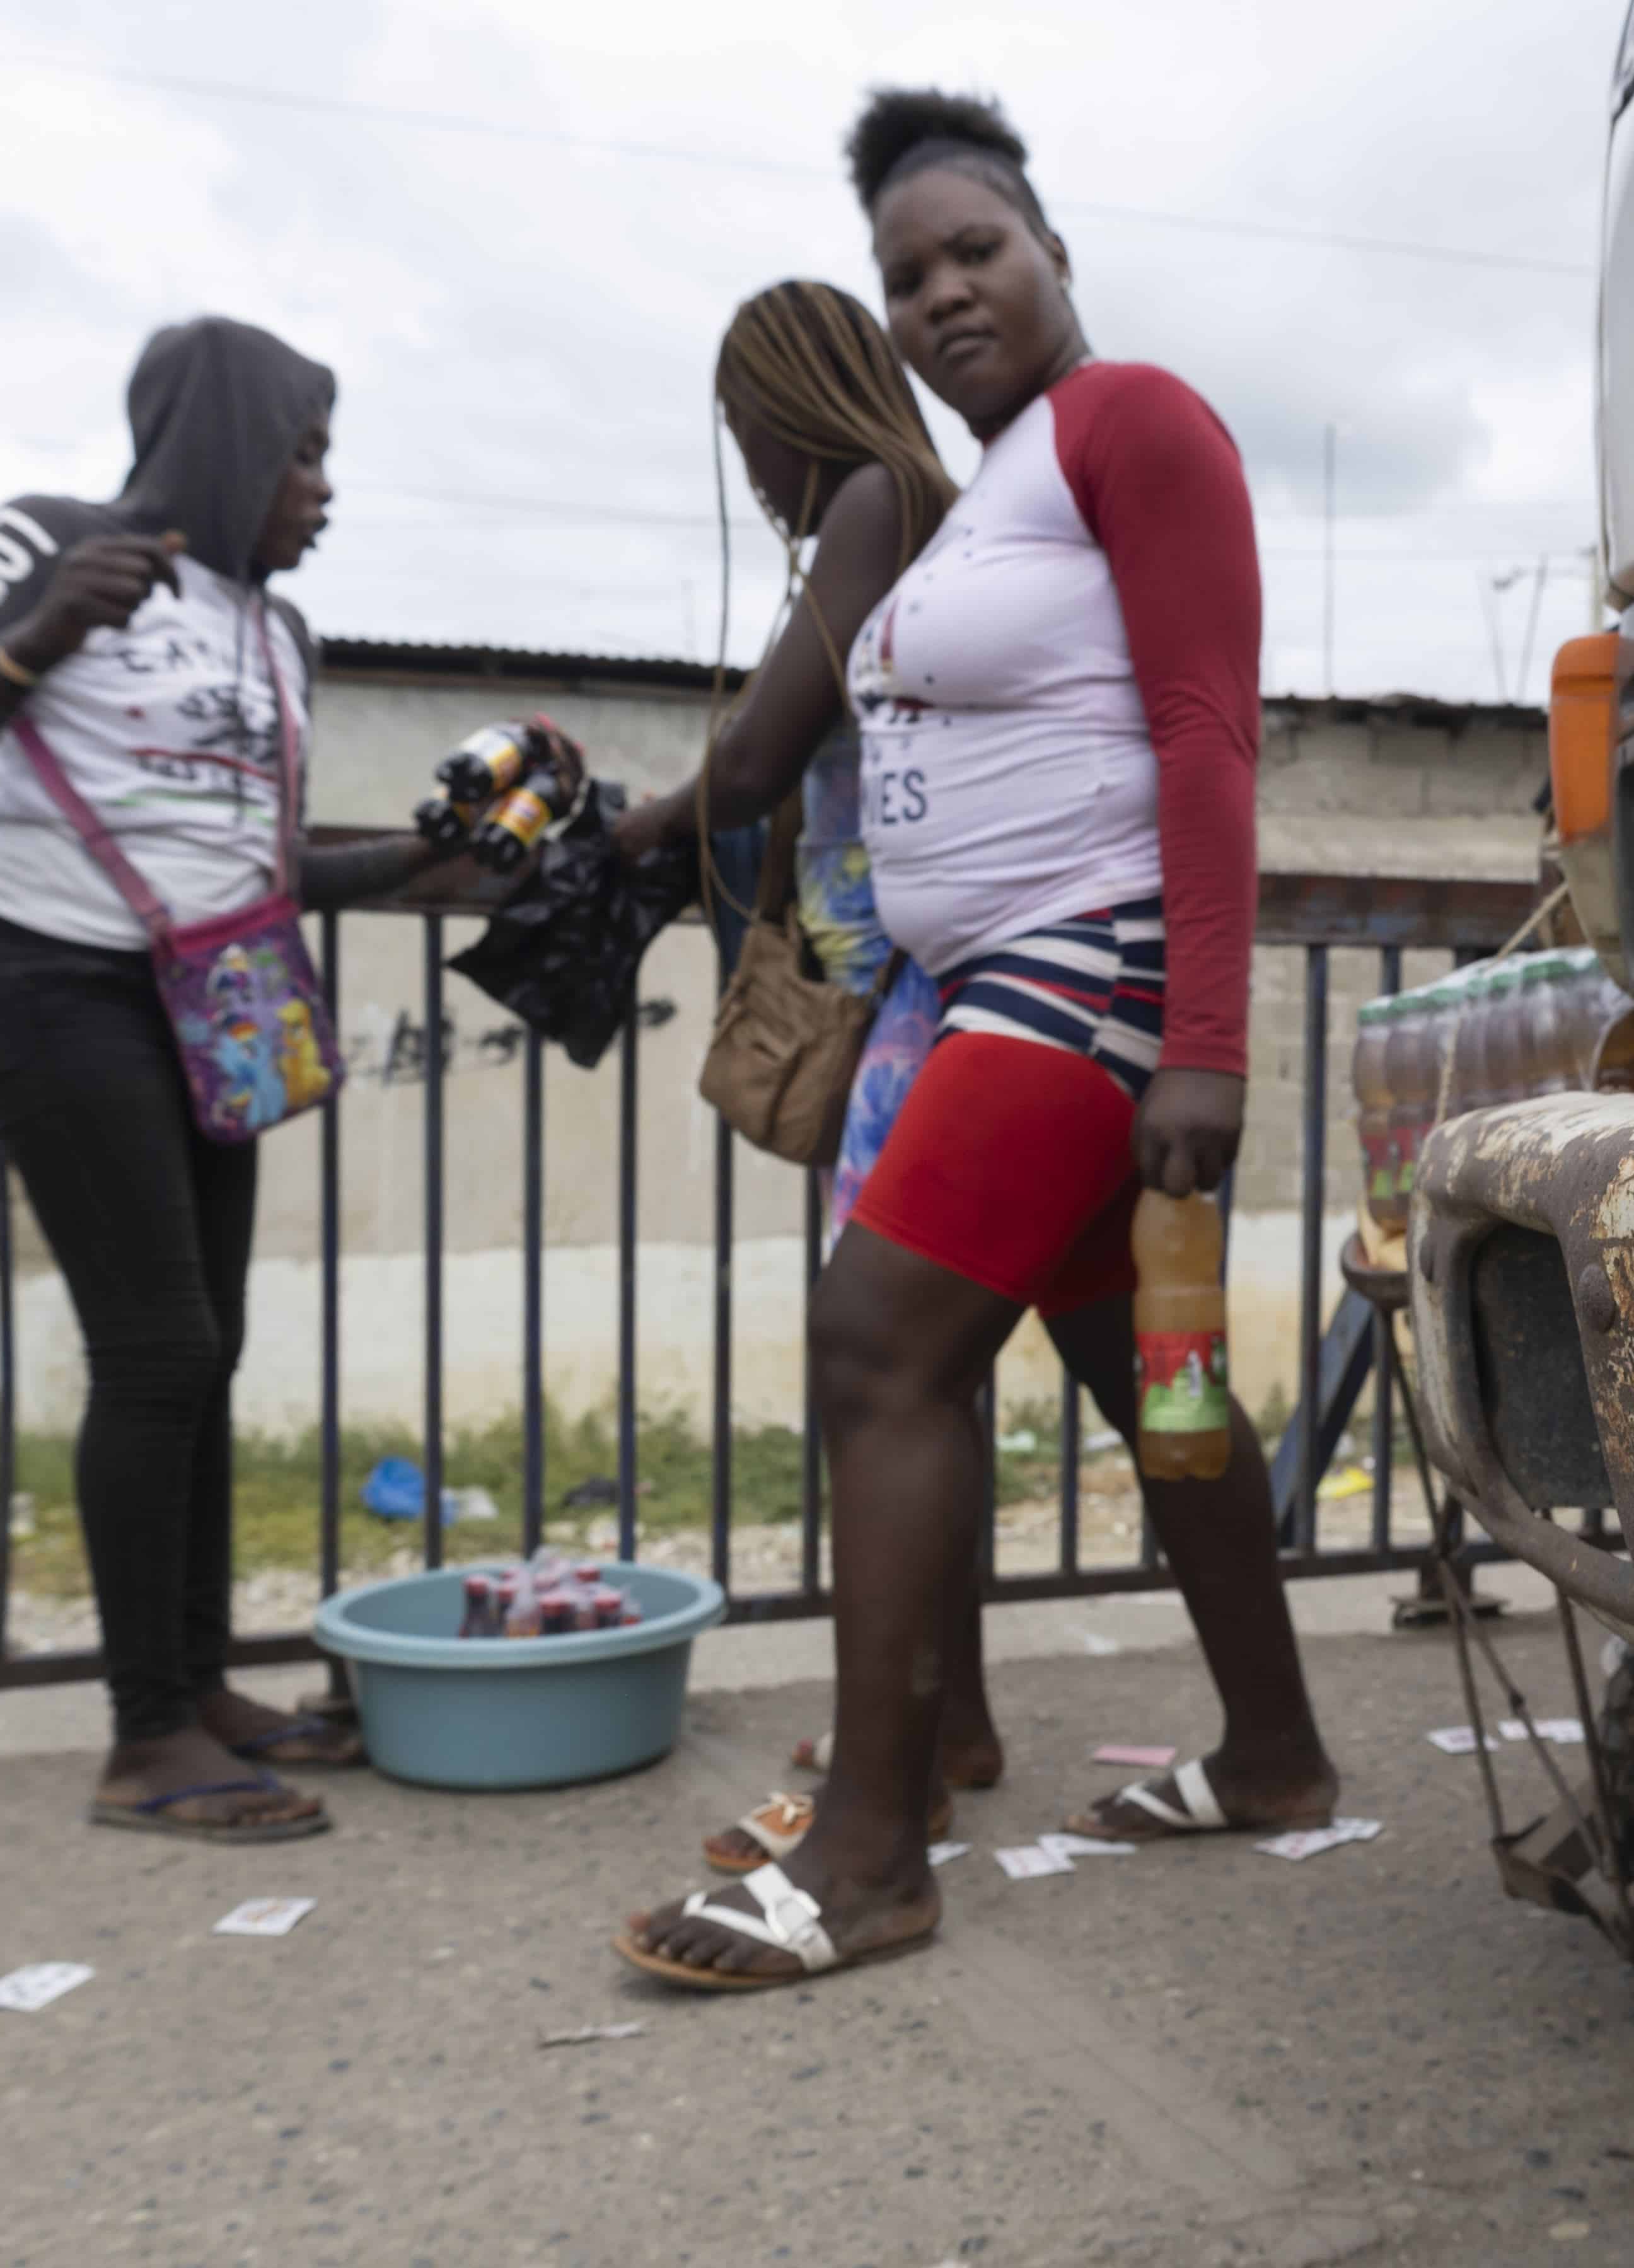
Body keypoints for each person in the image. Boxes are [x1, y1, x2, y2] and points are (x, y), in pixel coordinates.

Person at [620, 90, 1341, 1991]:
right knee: (1154, 1391)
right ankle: (1273, 1753)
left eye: (975, 252)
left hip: (1079, 979)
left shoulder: (1132, 421)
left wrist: (1208, 1043)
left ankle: (869, 1860)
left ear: (1050, 250)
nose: (944, 294)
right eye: (907, 275)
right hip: (1002, 998)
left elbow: (1205, 734)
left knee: (877, 1349)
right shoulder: (995, 487)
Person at [0, 316, 467, 1841]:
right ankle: (141, 1740)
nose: (322, 490)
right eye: (305, 453)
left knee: (212, 1345)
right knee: (158, 1350)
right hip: (56, 979)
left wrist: (421, 854)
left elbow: (251, 859)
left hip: (222, 998)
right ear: (233, 445)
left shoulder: (279, 635)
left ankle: (196, 1688)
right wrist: (43, 627)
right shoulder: (53, 543)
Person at [596, 282, 997, 1874]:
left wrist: (621, 829)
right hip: (921, 986)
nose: (748, 471)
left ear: (788, 399)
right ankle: (945, 1720)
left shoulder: (874, 500)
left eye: (743, 429)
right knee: (935, 1372)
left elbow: (760, 753)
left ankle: (910, 1763)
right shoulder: (908, 506)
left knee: (882, 1364)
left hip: (916, 995)